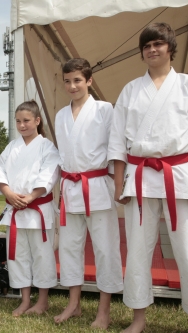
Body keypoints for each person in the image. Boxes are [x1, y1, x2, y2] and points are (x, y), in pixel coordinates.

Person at [108, 23, 188, 333]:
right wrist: (119, 184)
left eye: (157, 44)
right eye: (146, 46)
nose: (152, 50)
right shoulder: (130, 89)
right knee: (139, 250)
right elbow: (117, 142)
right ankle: (138, 319)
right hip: (140, 177)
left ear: (170, 48)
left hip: (179, 175)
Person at [53, 59, 123, 329]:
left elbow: (117, 149)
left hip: (97, 187)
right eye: (68, 81)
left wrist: (118, 186)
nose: (72, 86)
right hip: (70, 187)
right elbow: (62, 155)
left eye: (78, 80)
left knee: (105, 249)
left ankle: (104, 310)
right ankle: (74, 303)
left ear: (89, 81)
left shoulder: (105, 110)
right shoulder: (61, 115)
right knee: (70, 247)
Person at [0, 100, 60, 316]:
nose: (22, 125)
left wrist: (31, 196)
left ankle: (42, 300)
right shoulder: (12, 147)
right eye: (18, 121)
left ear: (37, 121)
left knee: (42, 255)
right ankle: (24, 299)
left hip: (37, 209)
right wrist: (9, 193)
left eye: (27, 121)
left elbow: (49, 174)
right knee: (18, 255)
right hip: (15, 208)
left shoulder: (47, 147)